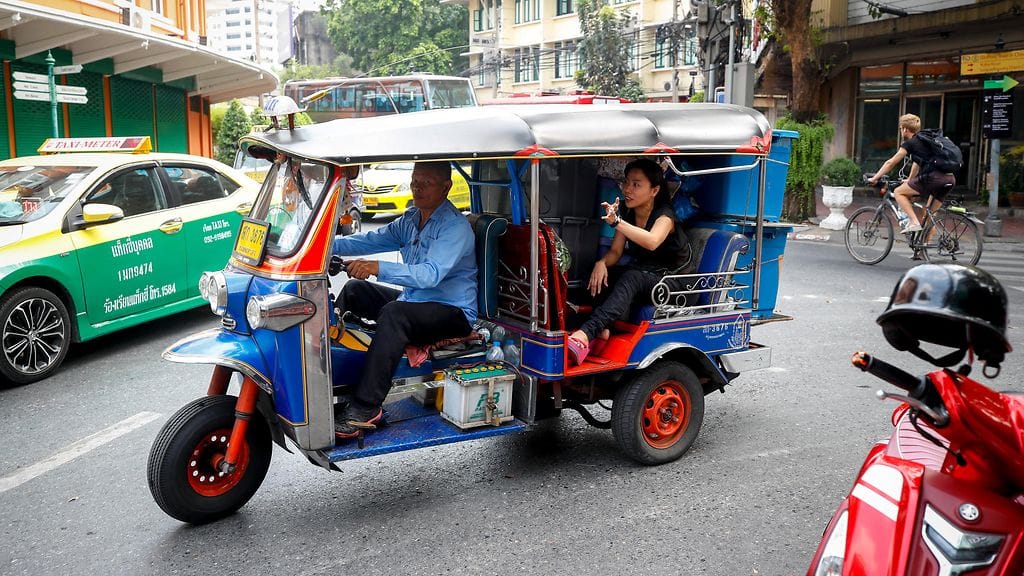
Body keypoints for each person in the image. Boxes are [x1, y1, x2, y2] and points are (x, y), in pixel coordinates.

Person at [330, 161, 477, 440]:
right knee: (354, 290)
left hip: (452, 312)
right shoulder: (411, 219)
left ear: (446, 187)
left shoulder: (454, 228)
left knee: (395, 314)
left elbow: (429, 276)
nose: (417, 188)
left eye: (426, 183)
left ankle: (366, 407)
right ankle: (340, 381)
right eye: (414, 181)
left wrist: (377, 267)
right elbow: (370, 240)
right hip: (416, 302)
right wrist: (324, 244)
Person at [567, 158, 694, 365]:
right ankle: (605, 330)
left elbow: (652, 241)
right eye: (627, 182)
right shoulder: (628, 212)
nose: (628, 189)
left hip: (676, 283)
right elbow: (616, 252)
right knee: (600, 271)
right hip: (648, 276)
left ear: (654, 190)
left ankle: (586, 334)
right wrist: (602, 263)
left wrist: (617, 222)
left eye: (636, 185)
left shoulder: (665, 216)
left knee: (631, 278)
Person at [868, 113, 956, 234]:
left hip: (934, 178)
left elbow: (891, 162)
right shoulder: (925, 140)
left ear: (905, 129)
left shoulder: (911, 143)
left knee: (898, 192)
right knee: (929, 216)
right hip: (949, 178)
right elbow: (917, 164)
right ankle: (923, 249)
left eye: (900, 128)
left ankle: (913, 222)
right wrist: (910, 180)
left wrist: (875, 178)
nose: (900, 131)